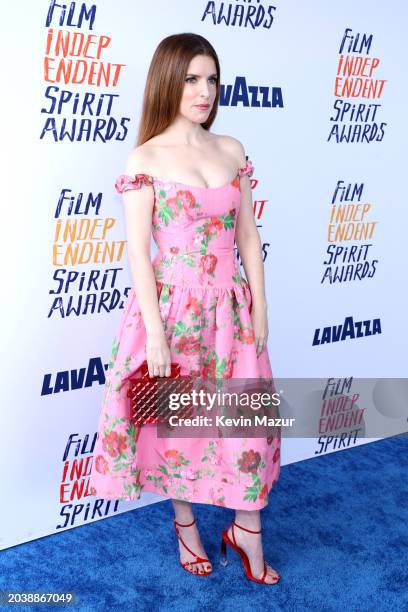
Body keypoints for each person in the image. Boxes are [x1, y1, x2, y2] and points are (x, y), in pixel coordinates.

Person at [89, 33, 281, 585]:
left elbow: (248, 235)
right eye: (192, 78)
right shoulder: (145, 158)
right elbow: (139, 254)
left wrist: (261, 303)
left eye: (212, 79)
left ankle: (247, 529)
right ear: (169, 81)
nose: (204, 90)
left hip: (232, 313)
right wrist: (154, 334)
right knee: (178, 427)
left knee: (245, 424)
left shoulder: (232, 149)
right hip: (173, 312)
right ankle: (186, 523)